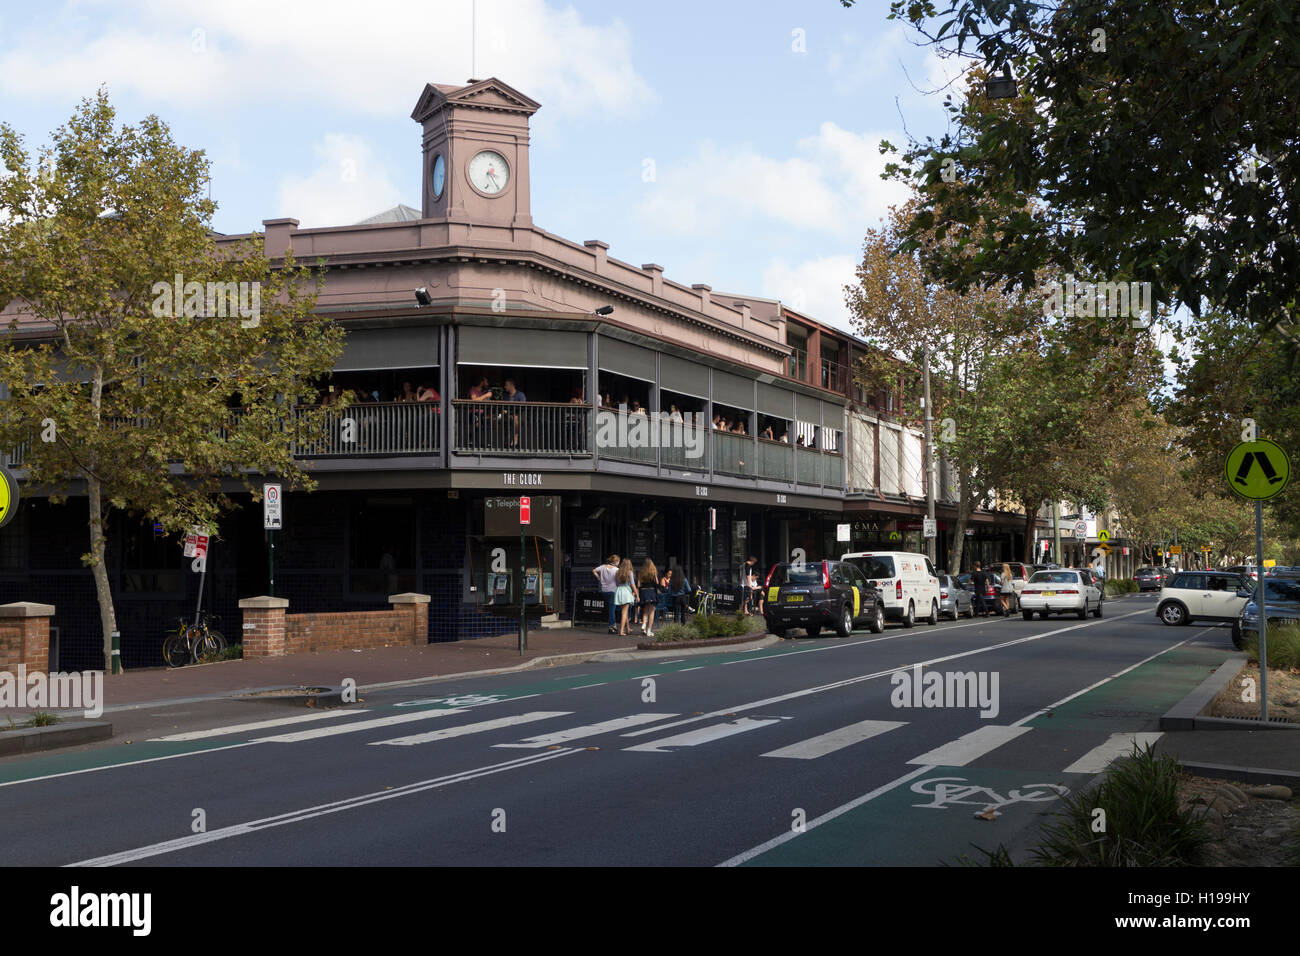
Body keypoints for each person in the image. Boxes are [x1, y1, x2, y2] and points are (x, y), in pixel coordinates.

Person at [593, 554, 620, 633]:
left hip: (604, 590)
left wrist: (599, 578)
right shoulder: (616, 570)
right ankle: (612, 626)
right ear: (616, 561)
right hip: (613, 591)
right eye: (619, 561)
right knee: (612, 609)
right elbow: (618, 581)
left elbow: (594, 570)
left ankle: (612, 625)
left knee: (610, 608)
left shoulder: (603, 567)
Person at [637, 559, 661, 638]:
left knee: (645, 611)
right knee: (652, 612)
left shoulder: (641, 572)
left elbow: (639, 585)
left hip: (644, 593)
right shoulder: (653, 572)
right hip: (651, 592)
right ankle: (649, 631)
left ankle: (644, 624)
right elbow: (657, 583)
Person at [614, 558, 636, 636]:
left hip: (619, 591)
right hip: (626, 591)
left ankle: (628, 628)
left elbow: (616, 583)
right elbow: (632, 584)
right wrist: (636, 593)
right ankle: (621, 631)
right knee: (624, 612)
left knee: (624, 612)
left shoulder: (617, 572)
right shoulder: (630, 573)